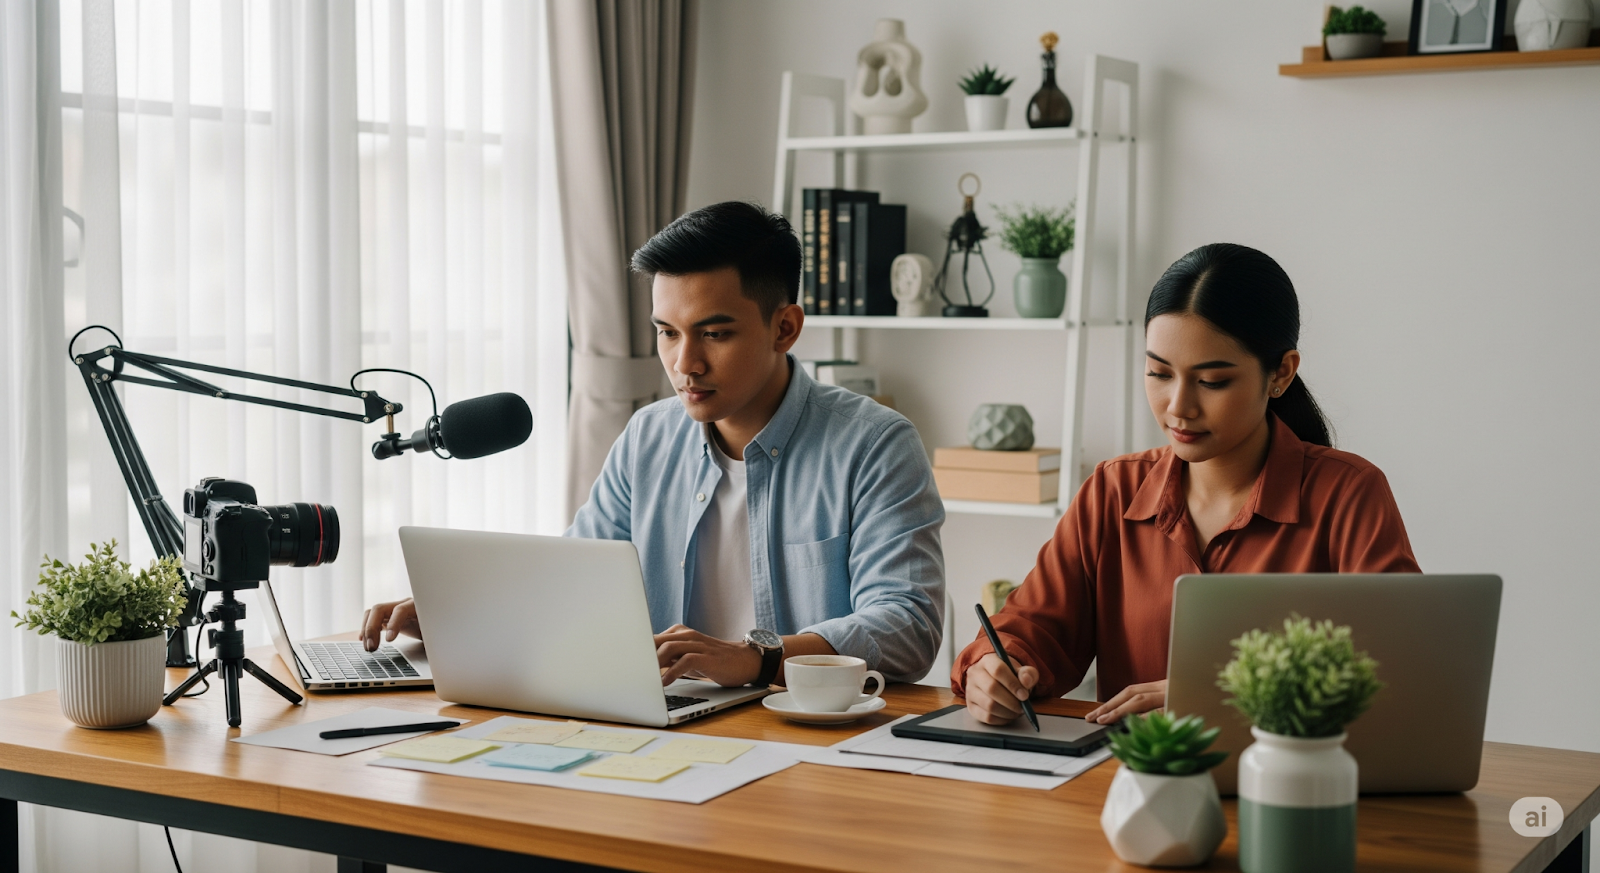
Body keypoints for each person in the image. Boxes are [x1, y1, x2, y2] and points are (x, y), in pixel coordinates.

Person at [361, 201, 946, 688]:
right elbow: (578, 579)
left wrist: (756, 655)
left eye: (714, 334)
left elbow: (907, 625)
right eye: (667, 333)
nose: (684, 363)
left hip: (806, 741)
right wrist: (459, 613)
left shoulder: (874, 444)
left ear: (784, 328)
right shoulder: (649, 435)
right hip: (666, 725)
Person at [953, 243, 1420, 726]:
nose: (1178, 406)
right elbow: (1034, 628)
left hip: (1288, 783)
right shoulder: (1115, 490)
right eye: (1158, 373)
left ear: (1280, 373)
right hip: (1133, 782)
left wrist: (1220, 695)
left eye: (1212, 382)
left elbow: (1400, 666)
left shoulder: (1349, 493)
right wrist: (994, 666)